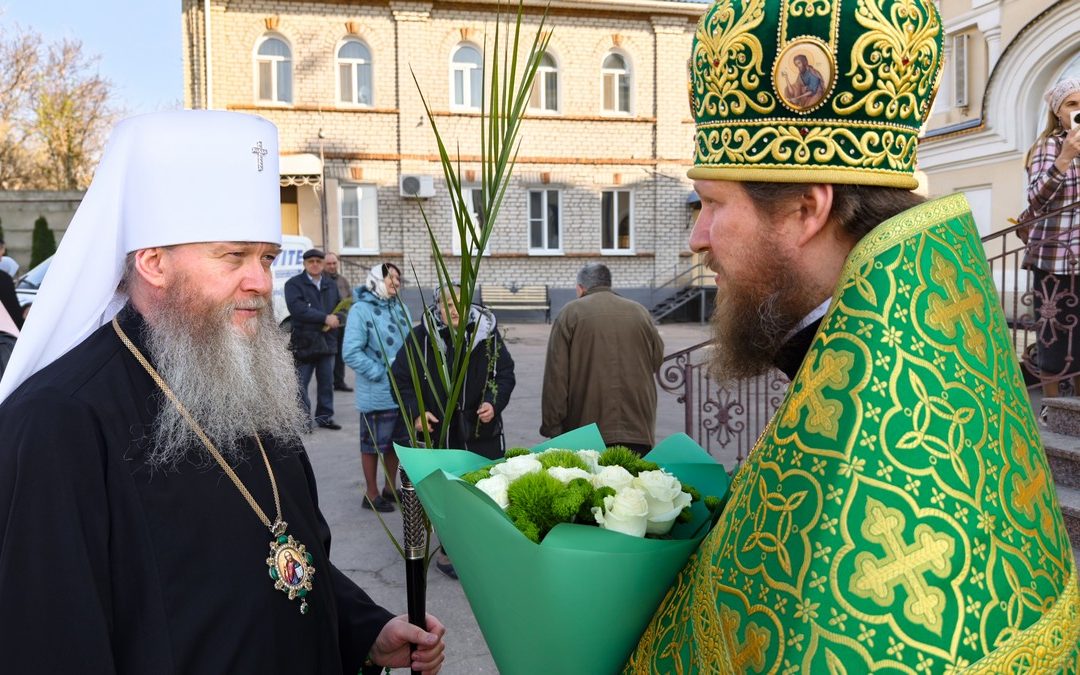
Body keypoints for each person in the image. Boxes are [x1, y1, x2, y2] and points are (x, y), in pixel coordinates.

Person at [627, 0, 1079, 670]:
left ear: (808, 208)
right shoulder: (897, 352)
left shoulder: (888, 400)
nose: (697, 238)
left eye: (715, 205)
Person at [0, 110, 445, 674]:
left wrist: (365, 628)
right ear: (154, 262)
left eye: (264, 257)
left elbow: (282, 552)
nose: (261, 281)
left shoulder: (239, 379)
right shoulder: (58, 422)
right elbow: (50, 644)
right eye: (233, 257)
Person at [540, 263, 664, 454]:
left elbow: (556, 376)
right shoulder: (639, 312)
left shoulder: (570, 313)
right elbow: (656, 360)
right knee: (636, 482)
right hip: (638, 428)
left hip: (586, 431)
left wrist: (553, 427)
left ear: (580, 288)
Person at [391, 286, 516, 460]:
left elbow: (504, 374)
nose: (455, 311)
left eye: (461, 304)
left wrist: (492, 403)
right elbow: (400, 378)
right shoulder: (420, 338)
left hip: (479, 434)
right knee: (440, 484)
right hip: (436, 433)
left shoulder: (486, 335)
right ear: (438, 308)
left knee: (480, 483)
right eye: (448, 305)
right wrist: (417, 412)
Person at [1019, 77, 1080, 398]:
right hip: (1053, 258)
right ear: (1058, 112)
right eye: (1072, 103)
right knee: (1053, 335)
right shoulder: (1049, 146)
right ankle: (1052, 404)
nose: (1078, 110)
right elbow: (1036, 198)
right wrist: (1065, 156)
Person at [343, 262, 411, 513]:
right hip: (377, 391)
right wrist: (382, 373)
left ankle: (390, 489)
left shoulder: (401, 307)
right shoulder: (361, 310)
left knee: (397, 443)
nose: (395, 282)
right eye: (389, 277)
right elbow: (350, 352)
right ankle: (371, 494)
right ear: (375, 280)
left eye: (398, 278)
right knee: (372, 445)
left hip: (402, 393)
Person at [285, 248, 346, 430]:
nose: (314, 264)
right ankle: (303, 420)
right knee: (301, 382)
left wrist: (339, 319)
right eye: (310, 261)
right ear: (304, 264)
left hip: (327, 341)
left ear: (322, 264)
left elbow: (341, 307)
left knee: (326, 382)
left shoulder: (330, 284)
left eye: (318, 261)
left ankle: (325, 417)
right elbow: (298, 309)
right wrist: (324, 318)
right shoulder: (294, 284)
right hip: (305, 342)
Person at [325, 251, 355, 392]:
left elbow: (349, 298)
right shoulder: (322, 280)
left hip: (342, 323)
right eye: (329, 263)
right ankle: (326, 384)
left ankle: (339, 382)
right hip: (327, 324)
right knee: (328, 356)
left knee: (340, 355)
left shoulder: (343, 280)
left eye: (334, 263)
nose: (332, 266)